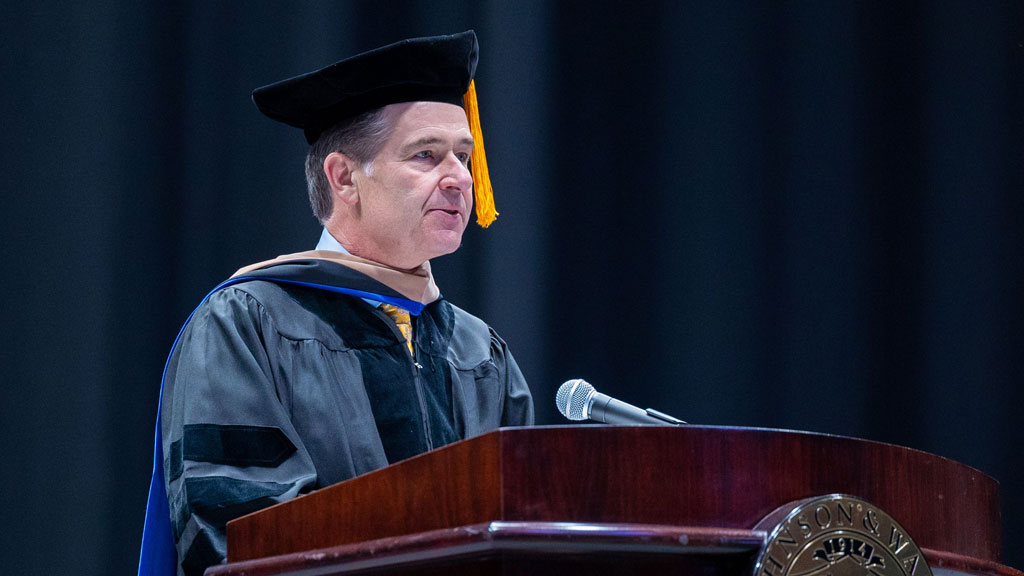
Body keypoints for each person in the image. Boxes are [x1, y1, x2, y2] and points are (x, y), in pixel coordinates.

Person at [138, 30, 535, 576]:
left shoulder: (480, 353)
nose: (459, 179)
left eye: (463, 157)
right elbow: (236, 531)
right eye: (427, 155)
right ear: (344, 177)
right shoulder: (248, 325)